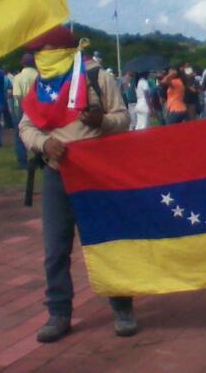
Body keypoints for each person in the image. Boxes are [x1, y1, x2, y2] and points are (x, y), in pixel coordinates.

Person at [19, 25, 135, 342]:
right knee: (55, 248)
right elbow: (26, 127)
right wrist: (43, 144)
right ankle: (58, 313)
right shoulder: (41, 83)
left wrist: (102, 121)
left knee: (106, 242)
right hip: (58, 173)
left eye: (43, 52)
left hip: (96, 174)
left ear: (60, 51)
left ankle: (122, 307)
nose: (38, 58)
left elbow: (124, 119)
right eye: (36, 54)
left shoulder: (97, 76)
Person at [12, 53, 38, 169]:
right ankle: (40, 157)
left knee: (19, 135)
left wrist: (26, 109)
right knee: (40, 132)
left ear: (22, 64)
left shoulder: (18, 77)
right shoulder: (39, 75)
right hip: (39, 107)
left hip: (23, 108)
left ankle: (22, 161)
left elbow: (18, 95)